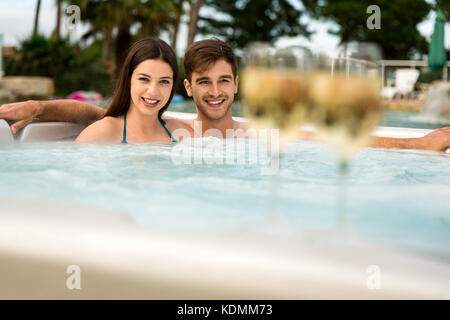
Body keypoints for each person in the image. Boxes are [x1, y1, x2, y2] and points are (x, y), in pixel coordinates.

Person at [1, 38, 450, 151]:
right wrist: (42, 107)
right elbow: (105, 118)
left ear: (238, 85)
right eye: (204, 82)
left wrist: (417, 144)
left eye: (224, 81)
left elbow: (326, 140)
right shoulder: (173, 130)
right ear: (190, 88)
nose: (215, 92)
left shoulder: (194, 135)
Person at [76, 37, 181, 143]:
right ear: (128, 79)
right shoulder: (99, 134)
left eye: (164, 81)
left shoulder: (181, 134)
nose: (153, 91)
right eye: (144, 79)